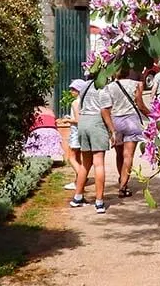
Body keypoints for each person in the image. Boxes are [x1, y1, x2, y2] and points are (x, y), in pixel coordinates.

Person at [70, 76, 117, 214]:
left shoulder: (85, 86)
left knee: (86, 163)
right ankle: (99, 202)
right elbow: (104, 110)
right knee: (99, 163)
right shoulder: (103, 87)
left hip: (83, 122)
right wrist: (112, 130)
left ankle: (77, 197)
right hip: (96, 124)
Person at [107, 67, 150, 198]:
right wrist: (153, 116)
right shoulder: (135, 85)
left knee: (119, 154)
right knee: (128, 155)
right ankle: (123, 185)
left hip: (116, 122)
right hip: (131, 121)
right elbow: (140, 105)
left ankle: (122, 178)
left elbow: (107, 107)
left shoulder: (110, 87)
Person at [60, 79, 87, 190]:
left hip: (76, 132)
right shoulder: (85, 101)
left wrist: (67, 121)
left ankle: (82, 177)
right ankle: (78, 181)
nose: (71, 91)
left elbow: (77, 120)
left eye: (73, 89)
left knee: (71, 157)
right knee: (78, 157)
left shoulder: (75, 103)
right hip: (83, 131)